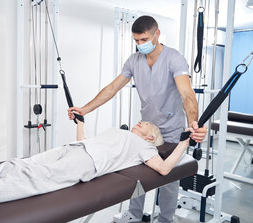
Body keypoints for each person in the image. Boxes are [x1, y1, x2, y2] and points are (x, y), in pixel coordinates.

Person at [68, 15, 208, 223]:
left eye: (144, 40)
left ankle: (166, 218)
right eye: (137, 41)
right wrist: (85, 109)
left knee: (168, 180)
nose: (140, 45)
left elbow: (187, 94)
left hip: (170, 130)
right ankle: (134, 213)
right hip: (146, 128)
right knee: (137, 173)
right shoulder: (134, 60)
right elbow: (113, 88)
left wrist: (193, 123)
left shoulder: (174, 59)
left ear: (157, 34)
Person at [0, 119, 192, 216]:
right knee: (13, 165)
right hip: (74, 150)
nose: (140, 122)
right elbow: (87, 140)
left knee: (31, 180)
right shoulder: (121, 132)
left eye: (145, 124)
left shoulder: (144, 146)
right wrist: (80, 122)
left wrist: (185, 141)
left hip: (86, 164)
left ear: (150, 136)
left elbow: (164, 169)